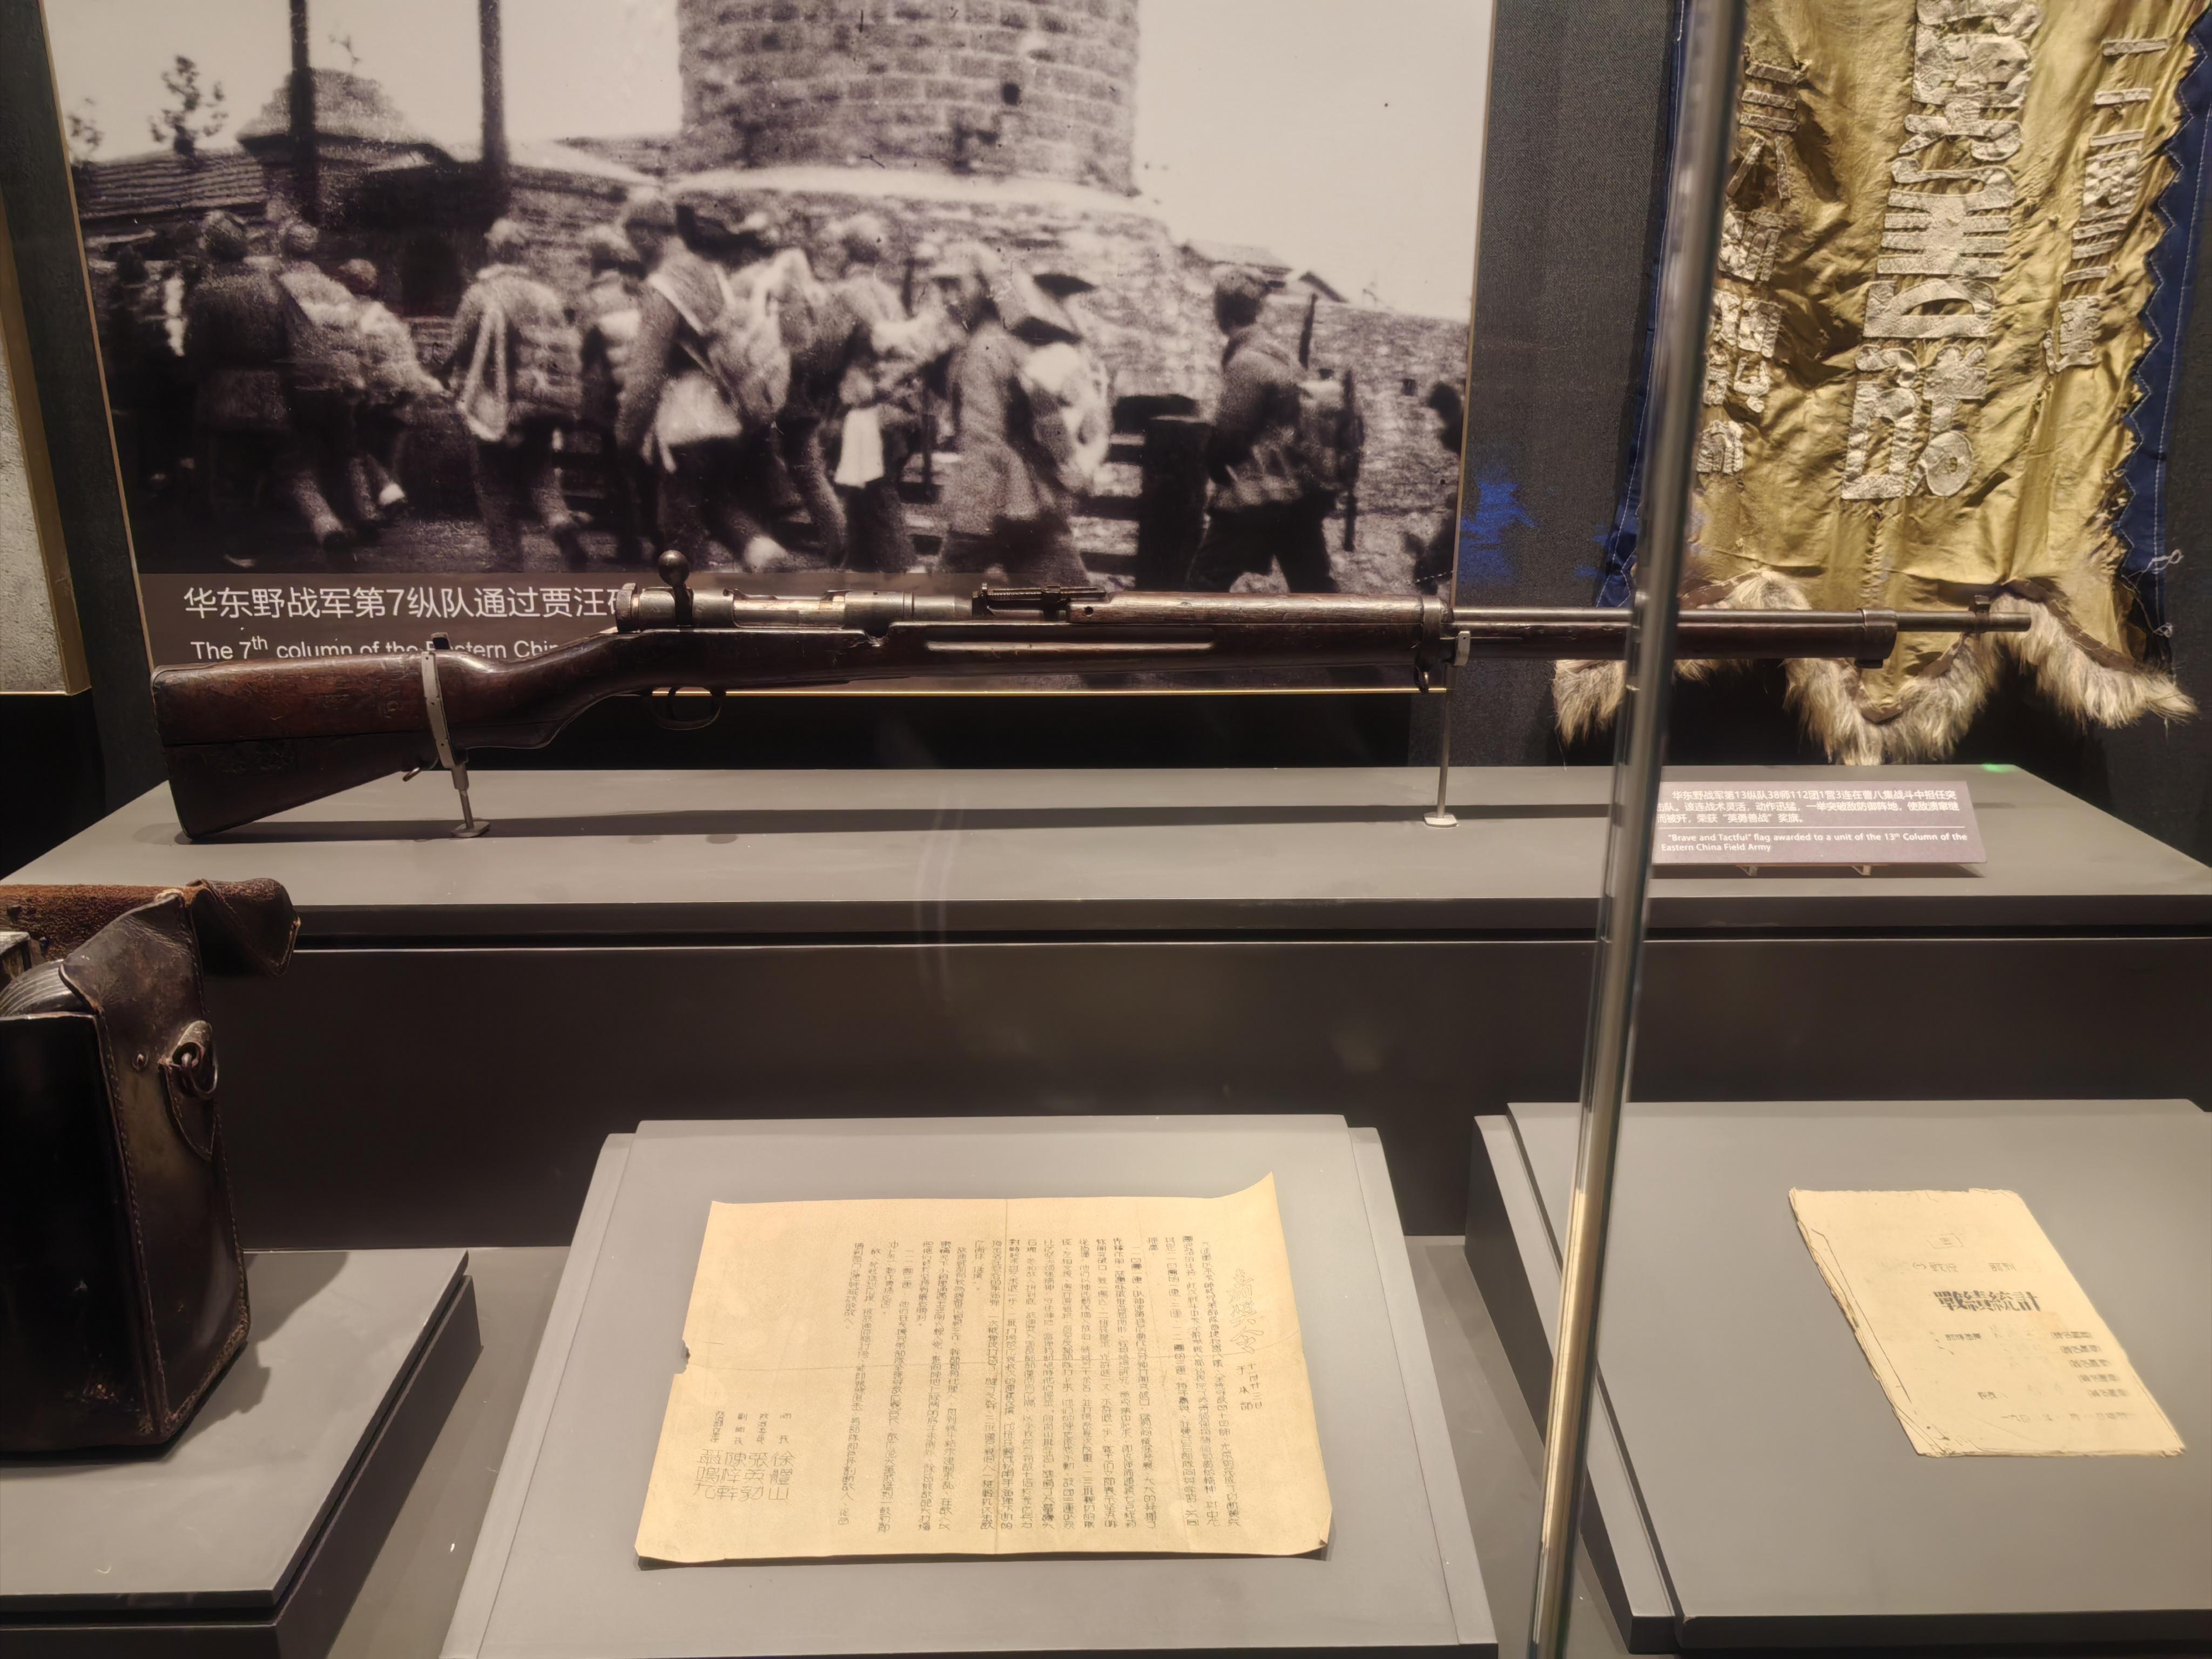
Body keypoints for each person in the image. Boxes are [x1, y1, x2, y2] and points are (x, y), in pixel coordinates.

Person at [614, 192, 782, 569]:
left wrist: (626, 435)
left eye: (630, 236)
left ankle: (691, 599)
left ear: (645, 234)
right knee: (717, 503)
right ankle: (763, 552)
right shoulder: (712, 274)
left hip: (684, 420)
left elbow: (646, 374)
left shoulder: (664, 285)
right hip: (728, 412)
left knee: (679, 525)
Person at [181, 211, 348, 569]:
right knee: (294, 468)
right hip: (274, 394)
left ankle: (243, 553)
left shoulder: (206, 293)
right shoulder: (272, 286)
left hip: (226, 396)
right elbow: (302, 340)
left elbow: (195, 351)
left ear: (211, 249)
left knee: (230, 476)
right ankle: (327, 525)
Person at [930, 241, 1089, 587]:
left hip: (993, 501)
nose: (949, 298)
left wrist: (969, 524)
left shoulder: (980, 351)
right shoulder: (1006, 338)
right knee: (1066, 595)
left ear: (984, 288)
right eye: (943, 287)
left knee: (939, 601)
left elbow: (983, 439)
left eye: (957, 285)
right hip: (1031, 499)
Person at [442, 218, 587, 569]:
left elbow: (461, 345)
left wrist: (451, 373)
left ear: (492, 249)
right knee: (540, 471)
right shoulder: (546, 295)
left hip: (499, 400)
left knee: (492, 479)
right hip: (544, 400)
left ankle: (507, 557)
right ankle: (560, 523)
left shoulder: (481, 294)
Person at [1186, 266, 1337, 594]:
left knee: (1203, 585)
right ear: (1258, 309)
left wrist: (1216, 469)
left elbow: (1228, 440)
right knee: (1316, 588)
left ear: (1220, 311)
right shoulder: (1282, 357)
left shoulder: (1247, 362)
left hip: (1256, 496)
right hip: (1297, 494)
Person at [817, 212, 927, 575]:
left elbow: (825, 358)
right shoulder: (888, 294)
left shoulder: (845, 294)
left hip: (865, 415)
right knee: (863, 507)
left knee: (878, 502)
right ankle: (856, 582)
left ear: (847, 251)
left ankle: (912, 585)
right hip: (900, 409)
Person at [274, 219, 377, 532]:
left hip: (301, 380)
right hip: (343, 380)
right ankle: (366, 512)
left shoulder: (278, 289)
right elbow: (359, 339)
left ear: (283, 249)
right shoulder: (337, 289)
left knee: (301, 456)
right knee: (347, 450)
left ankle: (326, 523)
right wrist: (358, 379)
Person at [337, 258, 442, 523]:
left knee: (353, 444)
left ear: (344, 284)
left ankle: (374, 502)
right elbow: (407, 360)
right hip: (398, 393)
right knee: (391, 448)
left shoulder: (342, 315)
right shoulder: (388, 317)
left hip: (365, 396)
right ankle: (392, 498)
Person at [576, 224, 652, 563]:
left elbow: (580, 351)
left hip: (608, 396)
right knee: (646, 466)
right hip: (644, 389)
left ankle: (629, 544)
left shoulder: (592, 299)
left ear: (594, 260)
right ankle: (656, 535)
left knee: (617, 470)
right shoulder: (639, 291)